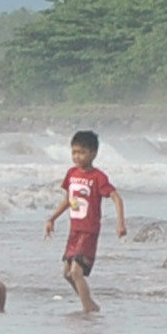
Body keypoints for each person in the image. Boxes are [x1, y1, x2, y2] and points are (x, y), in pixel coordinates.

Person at [47, 129, 125, 313]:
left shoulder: (98, 177)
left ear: (93, 153)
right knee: (67, 274)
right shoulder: (72, 174)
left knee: (76, 272)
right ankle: (91, 303)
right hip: (74, 230)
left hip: (88, 231)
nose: (77, 156)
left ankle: (88, 308)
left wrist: (120, 223)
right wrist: (52, 218)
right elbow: (69, 199)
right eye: (74, 152)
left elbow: (116, 197)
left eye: (81, 152)